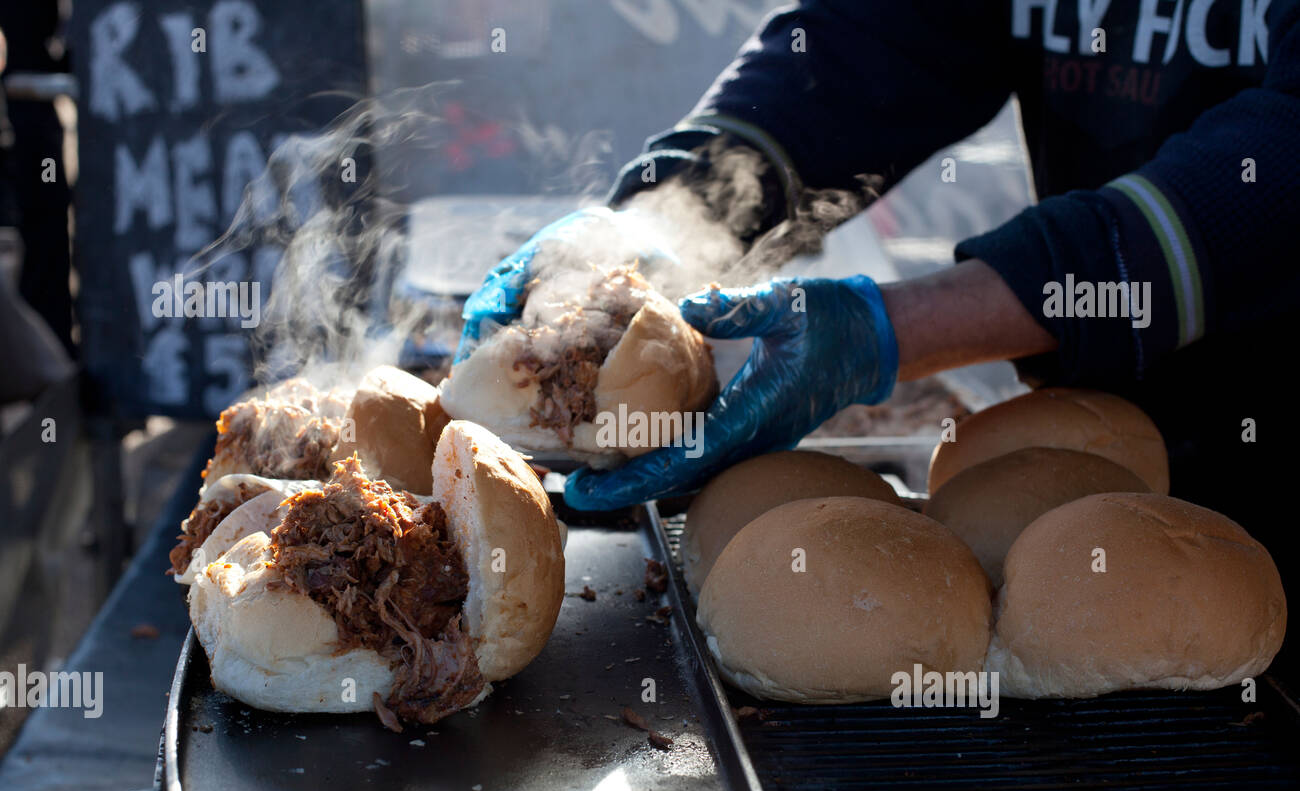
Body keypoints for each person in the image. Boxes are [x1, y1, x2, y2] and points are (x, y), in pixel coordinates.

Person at [458, 2, 1297, 550]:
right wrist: (671, 213)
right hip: (1113, 453)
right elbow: (875, 41)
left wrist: (886, 332)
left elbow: (1279, 173)